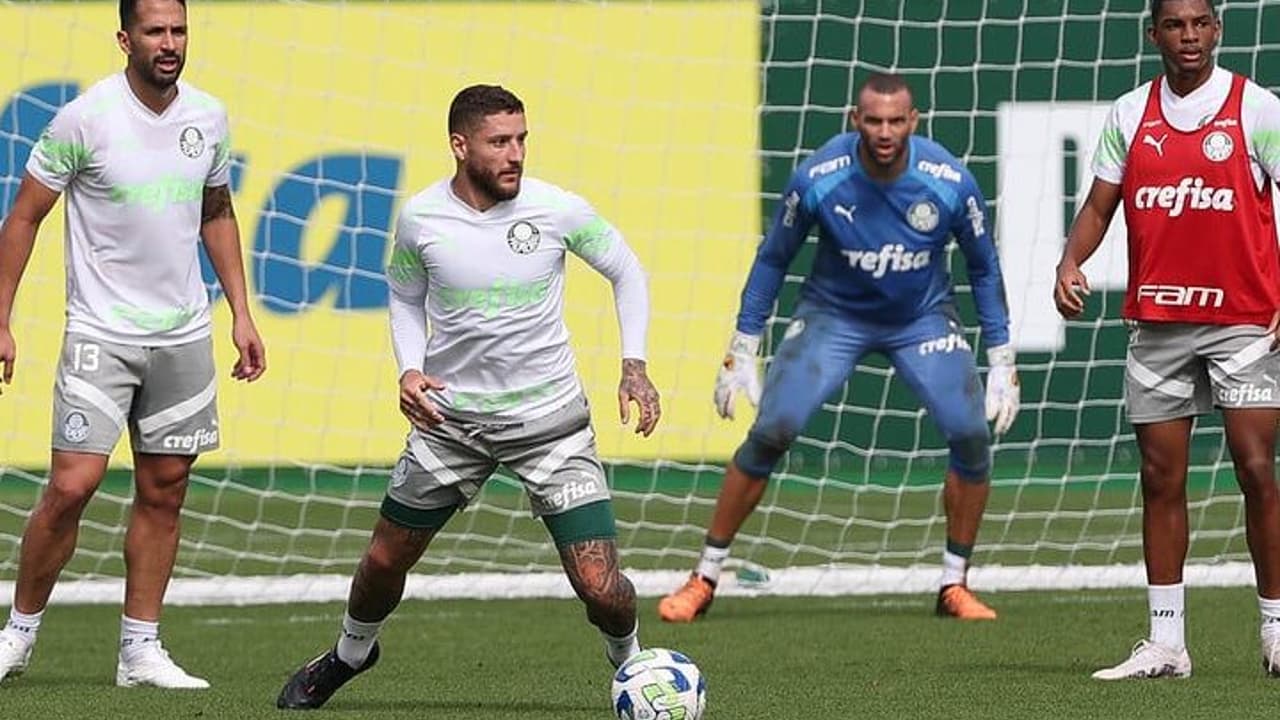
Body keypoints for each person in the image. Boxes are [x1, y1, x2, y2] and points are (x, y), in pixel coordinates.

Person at [275, 84, 661, 710]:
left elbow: (627, 270)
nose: (515, 154)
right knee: (381, 562)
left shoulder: (556, 210)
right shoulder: (421, 218)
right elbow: (402, 295)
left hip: (550, 425)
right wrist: (408, 370)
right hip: (451, 424)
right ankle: (349, 653)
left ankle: (632, 669)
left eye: (522, 140)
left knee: (600, 587)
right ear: (460, 145)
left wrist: (634, 364)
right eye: (500, 142)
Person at [658, 72, 1020, 625]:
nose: (884, 131)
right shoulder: (818, 178)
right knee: (771, 431)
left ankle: (954, 584)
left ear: (913, 122)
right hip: (833, 316)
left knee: (971, 434)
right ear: (855, 120)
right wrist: (742, 346)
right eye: (872, 120)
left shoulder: (949, 181)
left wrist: (1001, 357)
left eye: (895, 121)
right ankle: (705, 575)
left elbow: (984, 267)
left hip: (921, 319)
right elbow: (774, 257)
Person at [0, 0, 265, 690]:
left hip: (182, 334)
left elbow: (216, 211)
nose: (169, 43)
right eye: (155, 31)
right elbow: (24, 216)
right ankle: (17, 635)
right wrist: (1, 318)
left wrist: (241, 312)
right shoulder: (84, 118)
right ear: (126, 38)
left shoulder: (207, 116)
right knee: (72, 486)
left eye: (178, 30)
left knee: (166, 489)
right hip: (99, 332)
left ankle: (139, 650)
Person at [1055, 0, 1280, 680]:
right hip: (1157, 323)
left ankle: (1275, 629)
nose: (1189, 36)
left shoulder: (1256, 107)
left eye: (1201, 23)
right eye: (1175, 25)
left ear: (1218, 30)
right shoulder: (1130, 113)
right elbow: (1100, 204)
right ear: (1153, 34)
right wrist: (1071, 262)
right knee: (1160, 479)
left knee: (1255, 467)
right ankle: (1166, 643)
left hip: (1244, 317)